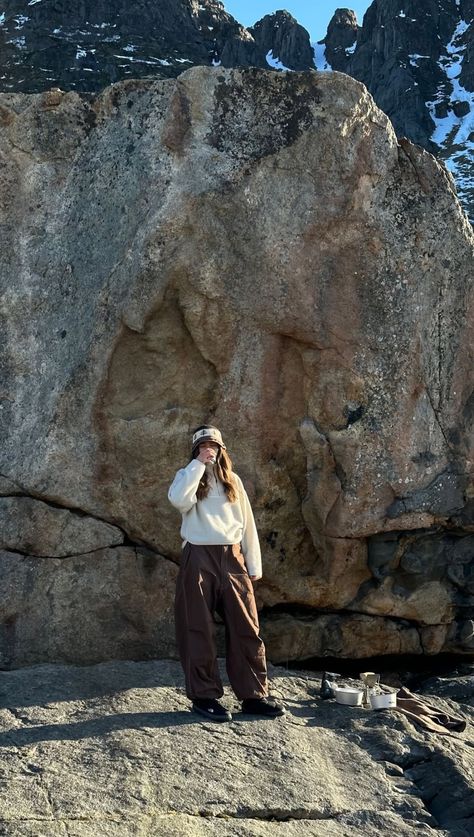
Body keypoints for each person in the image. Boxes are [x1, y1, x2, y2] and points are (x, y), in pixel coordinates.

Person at [168, 425, 285, 722]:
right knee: (197, 627)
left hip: (232, 557)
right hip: (198, 554)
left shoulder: (233, 481)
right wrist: (197, 465)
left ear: (222, 449)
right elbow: (179, 500)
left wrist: (253, 565)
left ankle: (253, 696)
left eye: (214, 446)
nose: (210, 450)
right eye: (203, 446)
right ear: (196, 449)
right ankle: (204, 696)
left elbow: (247, 524)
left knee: (247, 626)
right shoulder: (188, 477)